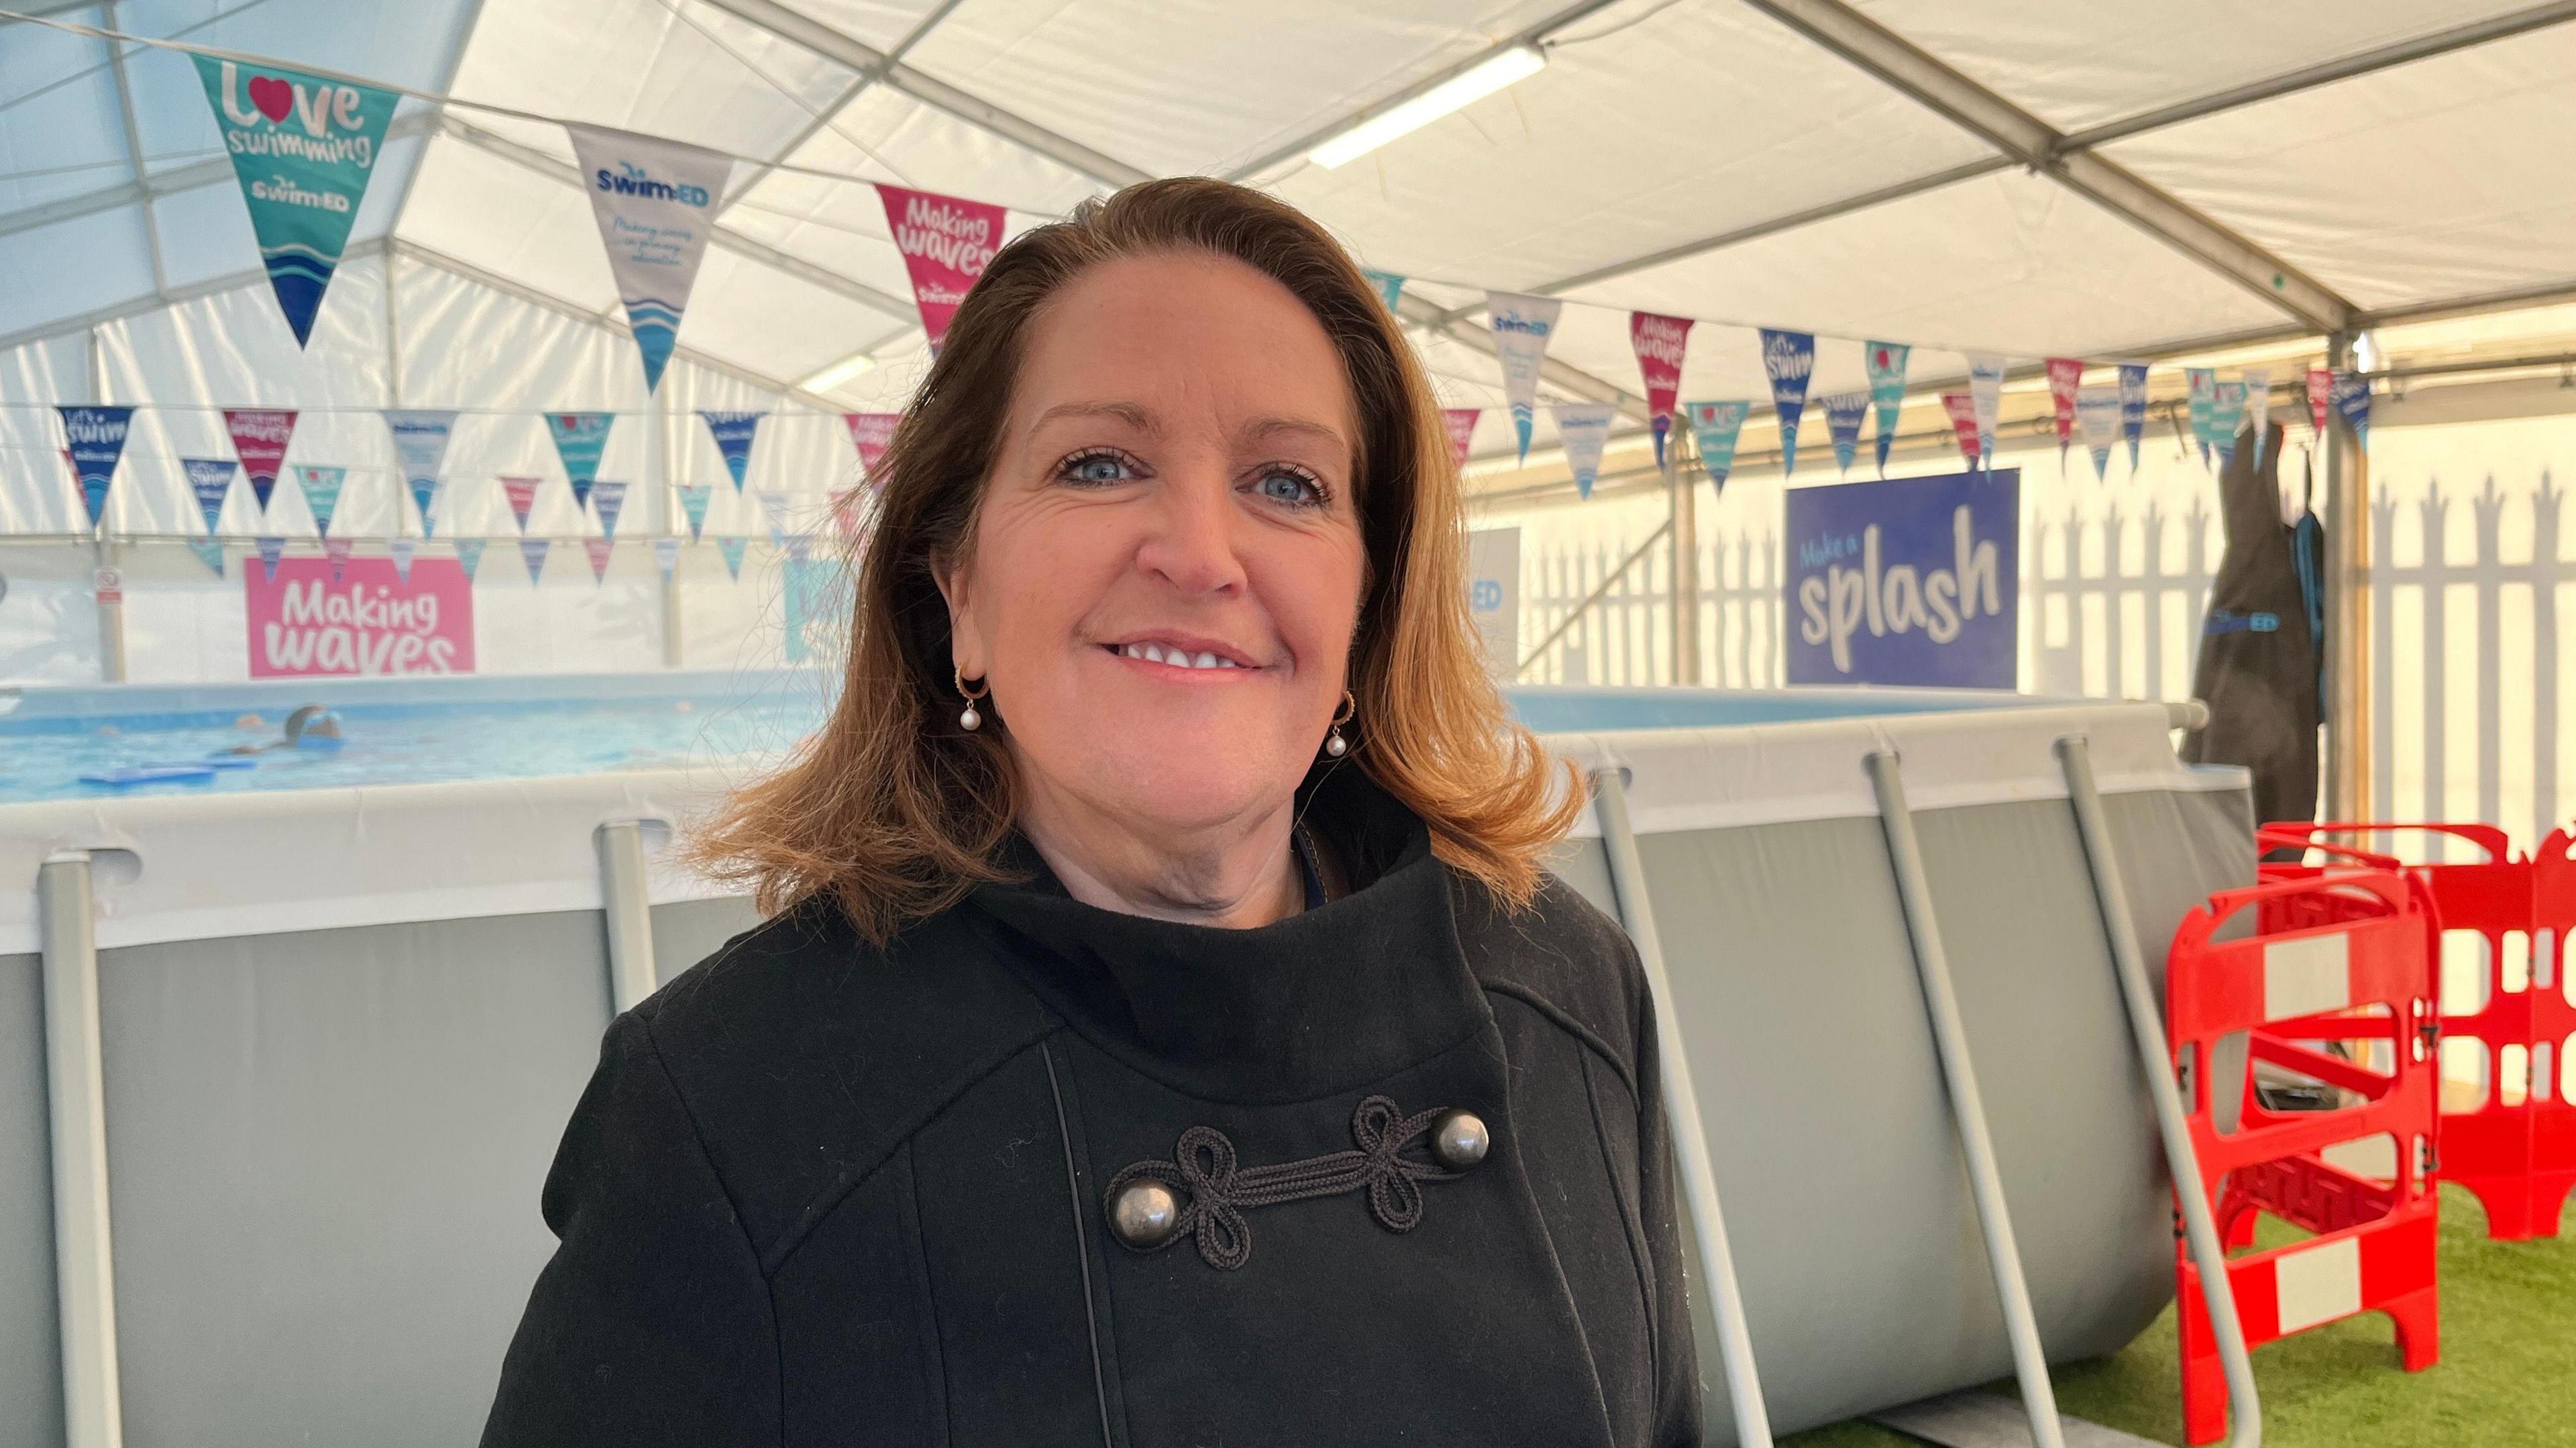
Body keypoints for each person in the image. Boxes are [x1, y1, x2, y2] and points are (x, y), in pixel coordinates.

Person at [478, 177, 1700, 1448]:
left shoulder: (1569, 984)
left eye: (1287, 483)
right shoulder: (736, 1099)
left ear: (1365, 603)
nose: (1200, 550)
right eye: (1100, 463)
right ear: (958, 583)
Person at [222, 703, 341, 755]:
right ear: (300, 732)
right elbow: (255, 752)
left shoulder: (340, 748)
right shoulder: (289, 746)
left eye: (332, 717)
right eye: (320, 719)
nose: (330, 723)